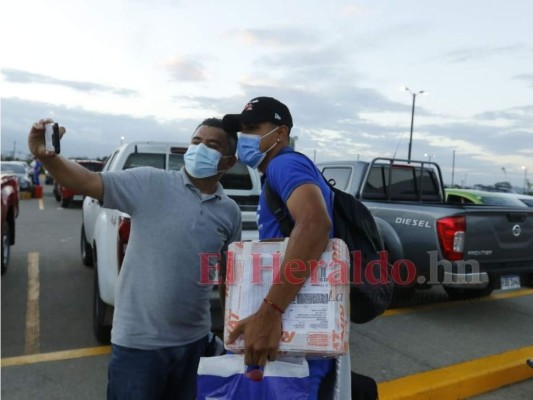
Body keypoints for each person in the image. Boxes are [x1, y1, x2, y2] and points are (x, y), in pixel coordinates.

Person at [28, 117, 242, 400]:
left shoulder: (229, 212)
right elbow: (85, 181)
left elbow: (229, 276)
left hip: (195, 345)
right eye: (196, 142)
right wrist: (48, 158)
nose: (200, 149)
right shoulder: (150, 183)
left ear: (228, 162)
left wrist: (231, 329)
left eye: (212, 146)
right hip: (139, 346)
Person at [222, 97, 337, 399]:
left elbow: (314, 223)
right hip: (294, 324)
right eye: (241, 129)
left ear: (281, 133)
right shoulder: (275, 173)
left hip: (294, 327)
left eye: (252, 128)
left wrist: (269, 312)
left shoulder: (285, 164)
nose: (243, 136)